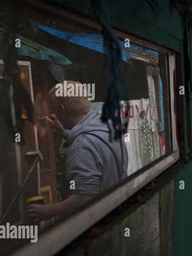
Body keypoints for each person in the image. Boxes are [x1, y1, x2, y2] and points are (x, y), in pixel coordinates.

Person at [25, 81, 128, 223]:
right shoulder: (107, 125)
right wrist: (65, 132)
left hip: (99, 225)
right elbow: (92, 140)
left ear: (61, 110)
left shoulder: (81, 147)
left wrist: (49, 211)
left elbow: (84, 198)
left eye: (54, 111)